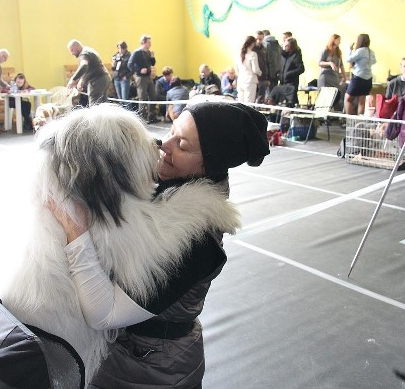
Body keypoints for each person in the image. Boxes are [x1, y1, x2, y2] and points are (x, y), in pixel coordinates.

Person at [51, 101, 270, 388]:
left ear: (209, 165)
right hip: (122, 358)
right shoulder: (164, 185)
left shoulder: (198, 237)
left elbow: (105, 314)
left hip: (155, 370)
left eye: (182, 145)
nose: (163, 145)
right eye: (171, 131)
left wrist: (75, 232)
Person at [67, 39, 111, 106]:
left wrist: (73, 79)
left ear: (77, 46)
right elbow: (90, 68)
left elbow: (84, 65)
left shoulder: (83, 54)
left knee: (94, 106)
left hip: (96, 81)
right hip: (104, 78)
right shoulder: (88, 50)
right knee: (103, 105)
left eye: (72, 50)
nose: (72, 53)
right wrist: (82, 80)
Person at [345, 33, 376, 115]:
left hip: (358, 78)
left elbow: (349, 59)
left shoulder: (360, 51)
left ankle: (349, 120)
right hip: (368, 79)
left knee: (348, 99)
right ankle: (358, 123)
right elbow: (374, 61)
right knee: (361, 101)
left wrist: (350, 49)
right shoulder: (371, 52)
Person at [128, 34, 157, 122]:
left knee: (153, 96)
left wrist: (152, 56)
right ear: (143, 43)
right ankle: (142, 118)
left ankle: (151, 115)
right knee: (142, 97)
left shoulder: (148, 52)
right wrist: (139, 70)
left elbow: (152, 63)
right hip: (140, 77)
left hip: (148, 76)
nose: (150, 44)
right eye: (148, 42)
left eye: (150, 42)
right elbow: (129, 64)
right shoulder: (137, 52)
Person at [318, 34, 347, 110]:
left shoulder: (338, 52)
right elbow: (320, 63)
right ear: (333, 40)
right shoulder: (326, 50)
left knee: (336, 94)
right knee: (325, 96)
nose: (339, 42)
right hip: (326, 77)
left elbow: (341, 65)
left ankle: (332, 111)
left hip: (335, 78)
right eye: (338, 40)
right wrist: (330, 63)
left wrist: (344, 75)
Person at [235, 35, 261, 103]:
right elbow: (255, 69)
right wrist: (260, 73)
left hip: (240, 80)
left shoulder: (238, 54)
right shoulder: (253, 54)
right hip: (250, 81)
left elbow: (236, 69)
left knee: (240, 102)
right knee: (249, 103)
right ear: (252, 43)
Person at [279, 37, 305, 106]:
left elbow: (301, 69)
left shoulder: (296, 56)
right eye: (284, 45)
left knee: (291, 101)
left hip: (292, 83)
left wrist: (288, 74)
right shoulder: (283, 55)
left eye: (287, 46)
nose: (285, 47)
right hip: (282, 82)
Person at [253, 31, 269, 102]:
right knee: (252, 98)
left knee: (260, 99)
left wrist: (267, 78)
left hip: (263, 78)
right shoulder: (251, 50)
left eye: (260, 39)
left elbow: (266, 63)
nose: (258, 41)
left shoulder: (264, 49)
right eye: (257, 39)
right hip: (253, 78)